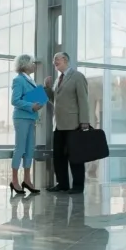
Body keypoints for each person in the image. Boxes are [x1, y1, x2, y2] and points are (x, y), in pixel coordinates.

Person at [43, 52, 90, 194]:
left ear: (66, 60)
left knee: (75, 155)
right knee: (58, 156)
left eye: (57, 59)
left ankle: (78, 186)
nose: (54, 61)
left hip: (73, 124)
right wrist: (47, 88)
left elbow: (83, 99)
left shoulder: (77, 76)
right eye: (53, 59)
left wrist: (84, 121)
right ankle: (62, 184)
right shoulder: (58, 80)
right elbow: (55, 102)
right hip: (58, 124)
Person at [9, 54, 42, 195]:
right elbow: (15, 100)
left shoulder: (30, 80)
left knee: (29, 149)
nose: (34, 65)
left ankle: (27, 180)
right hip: (21, 118)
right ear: (26, 64)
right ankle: (14, 180)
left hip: (30, 117)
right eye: (32, 63)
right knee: (20, 148)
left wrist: (37, 104)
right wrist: (31, 105)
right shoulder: (18, 80)